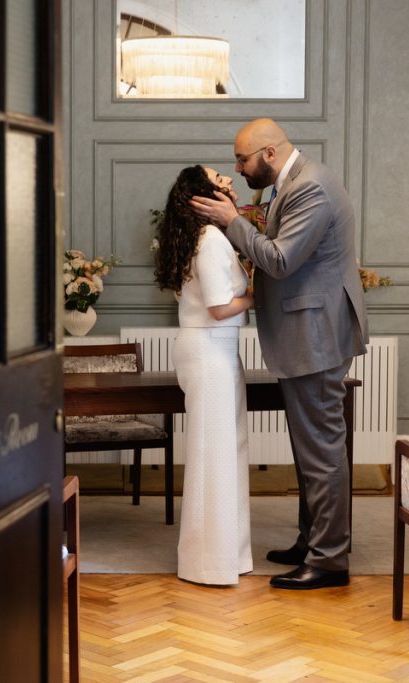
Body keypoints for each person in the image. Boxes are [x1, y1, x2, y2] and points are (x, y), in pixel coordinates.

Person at [190, 118, 369, 590]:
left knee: (322, 452)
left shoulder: (311, 187)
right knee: (311, 449)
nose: (238, 168)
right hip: (307, 333)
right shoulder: (292, 181)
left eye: (242, 159)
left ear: (268, 153)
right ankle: (313, 540)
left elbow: (281, 260)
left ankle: (329, 560)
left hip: (316, 335)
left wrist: (231, 222)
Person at [155, 165, 254, 586]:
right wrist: (256, 296)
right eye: (220, 178)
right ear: (203, 196)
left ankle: (228, 555)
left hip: (212, 350)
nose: (229, 181)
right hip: (210, 351)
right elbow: (218, 307)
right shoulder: (210, 239)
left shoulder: (198, 238)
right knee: (215, 455)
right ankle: (208, 564)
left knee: (225, 451)